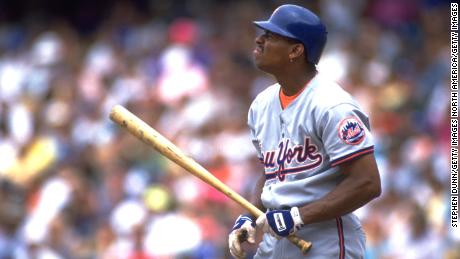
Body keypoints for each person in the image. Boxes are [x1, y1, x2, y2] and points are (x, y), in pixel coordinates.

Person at [228, 4, 381, 259]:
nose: (259, 39)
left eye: (271, 36)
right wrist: (251, 214)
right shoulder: (261, 105)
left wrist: (298, 216)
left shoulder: (332, 106)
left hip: (325, 240)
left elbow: (367, 183)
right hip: (276, 240)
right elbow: (271, 174)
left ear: (296, 50)